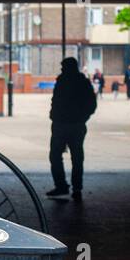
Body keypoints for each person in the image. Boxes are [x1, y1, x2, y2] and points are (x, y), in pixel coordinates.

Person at [46, 56, 97, 200]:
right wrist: (82, 118)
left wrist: (54, 116)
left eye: (63, 67)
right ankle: (76, 188)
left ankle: (62, 186)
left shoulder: (63, 81)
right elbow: (92, 104)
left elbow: (56, 101)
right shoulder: (83, 82)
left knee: (56, 156)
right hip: (74, 125)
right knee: (77, 158)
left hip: (63, 124)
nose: (62, 69)